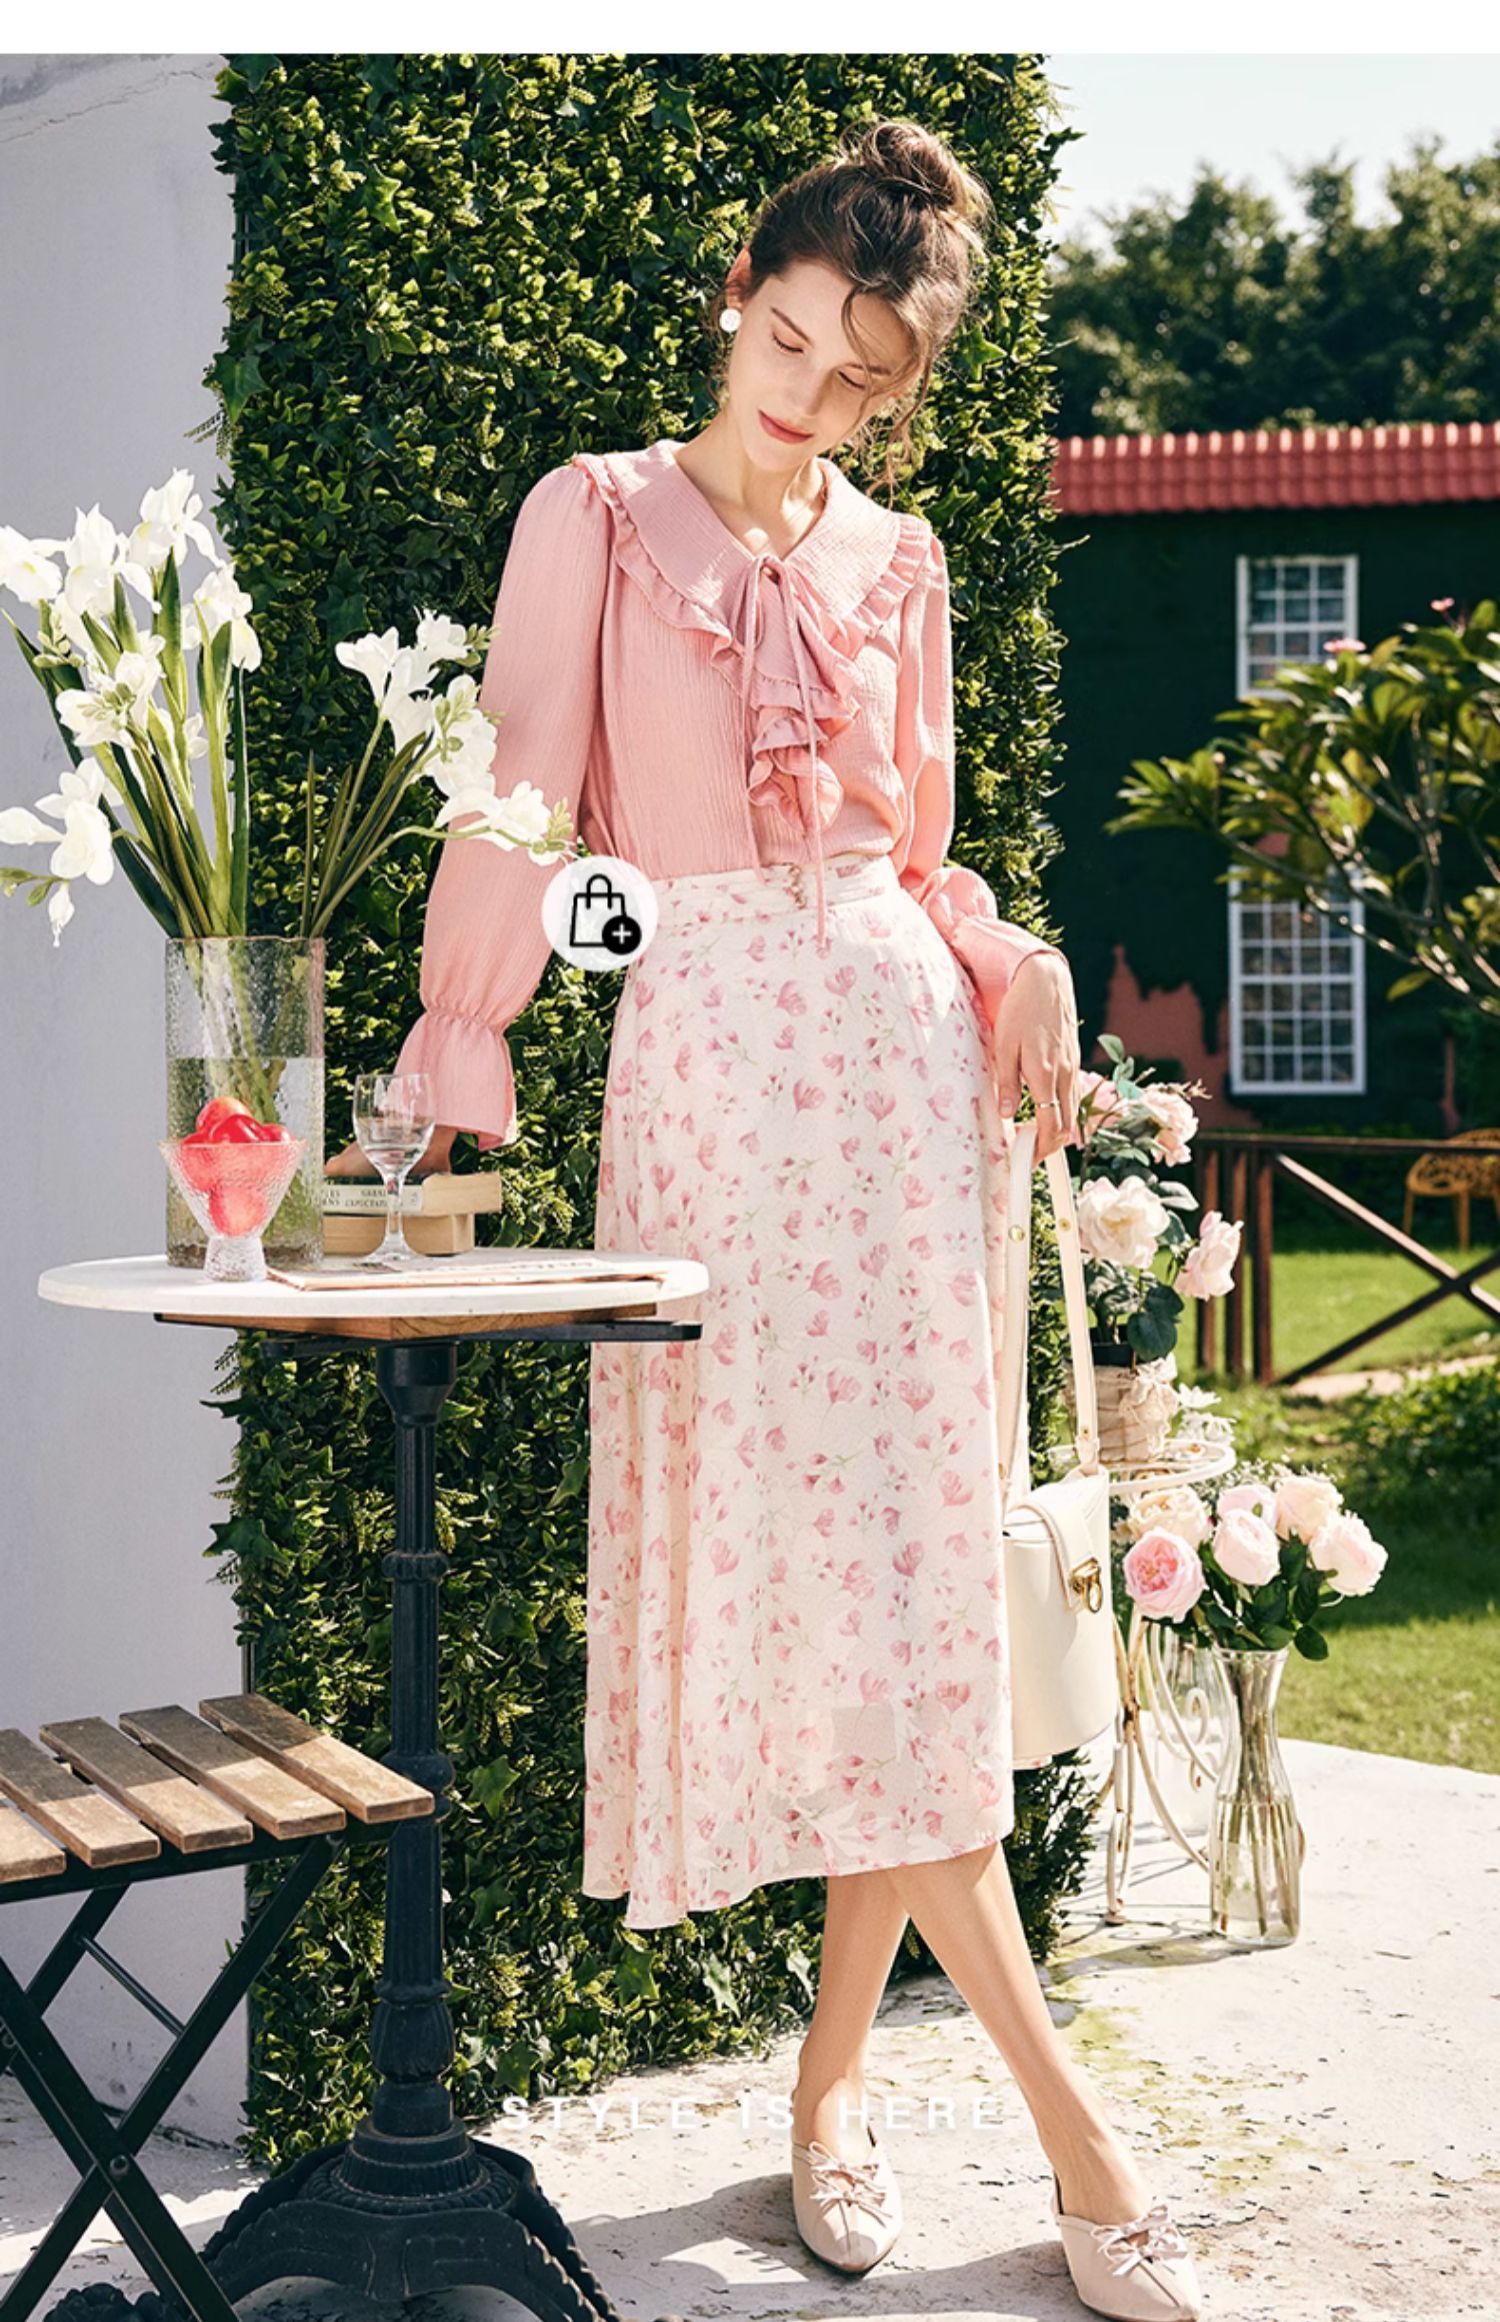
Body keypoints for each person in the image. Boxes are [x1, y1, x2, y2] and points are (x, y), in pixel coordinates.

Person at [327, 115, 1203, 2322]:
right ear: (739, 292)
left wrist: (1008, 960)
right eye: (789, 337)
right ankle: (1077, 2142)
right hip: (715, 1091)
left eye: (860, 375)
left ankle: (834, 2094)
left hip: (907, 1097)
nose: (808, 392)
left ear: (903, 393)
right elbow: (526, 811)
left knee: (904, 1601)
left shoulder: (902, 563)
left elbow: (916, 860)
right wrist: (474, 1044)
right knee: (821, 1595)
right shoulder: (596, 517)